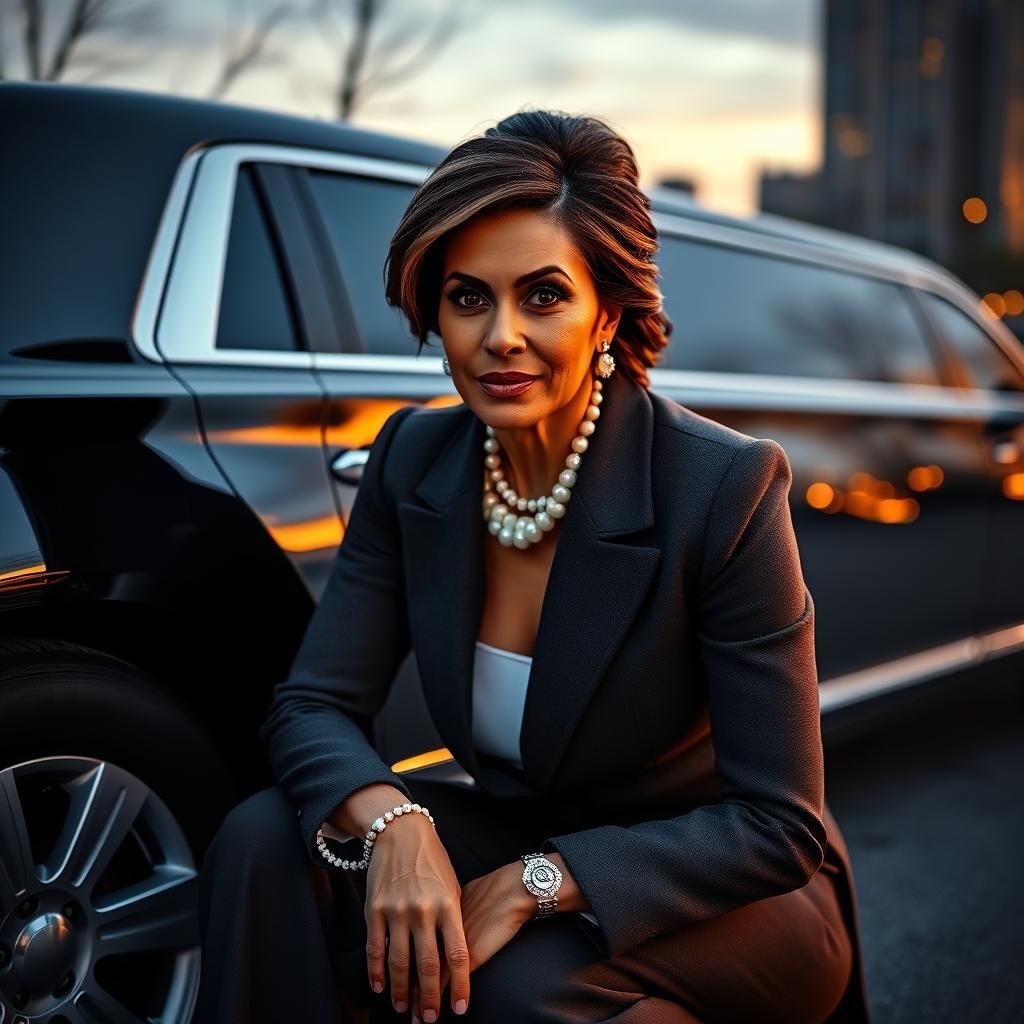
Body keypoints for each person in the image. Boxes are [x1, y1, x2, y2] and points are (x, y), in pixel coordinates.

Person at [193, 110, 873, 1024]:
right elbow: (311, 703)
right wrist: (395, 823)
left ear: (608, 313)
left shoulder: (722, 486)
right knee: (266, 838)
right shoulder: (413, 460)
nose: (501, 335)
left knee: (515, 985)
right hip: (527, 826)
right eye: (469, 297)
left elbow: (778, 825)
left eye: (543, 295)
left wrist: (537, 882)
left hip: (728, 886)